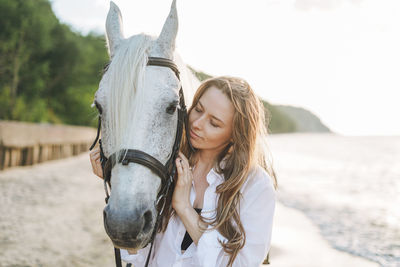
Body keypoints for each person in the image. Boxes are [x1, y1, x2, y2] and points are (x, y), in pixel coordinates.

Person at [89, 76, 277, 267]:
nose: (197, 123)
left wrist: (184, 208)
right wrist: (117, 184)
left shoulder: (256, 186)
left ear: (235, 135)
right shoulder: (166, 163)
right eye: (198, 109)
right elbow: (138, 256)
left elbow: (241, 264)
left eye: (214, 123)